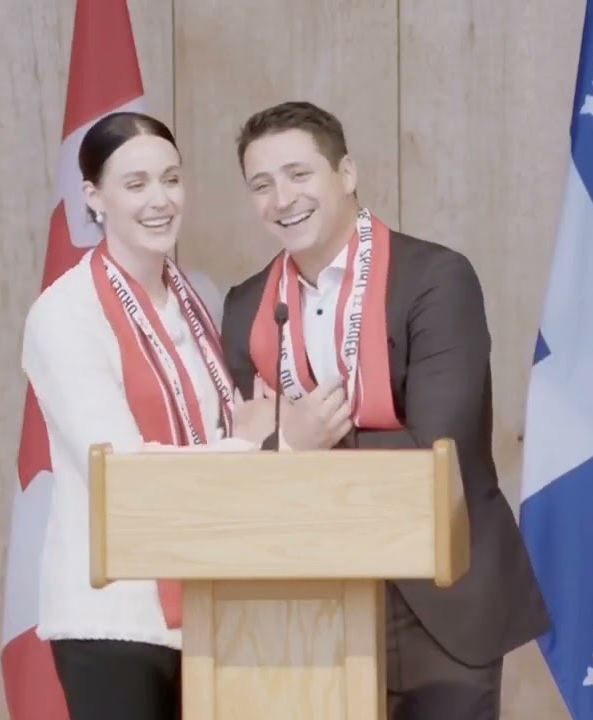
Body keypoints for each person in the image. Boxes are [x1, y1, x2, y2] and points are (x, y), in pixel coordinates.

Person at [219, 100, 551, 719]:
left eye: (299, 174)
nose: (282, 199)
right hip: (309, 601)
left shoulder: (436, 279)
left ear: (346, 173)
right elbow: (237, 463)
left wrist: (294, 442)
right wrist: (278, 445)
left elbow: (435, 454)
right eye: (261, 185)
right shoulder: (246, 306)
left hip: (439, 593)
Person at [20, 111, 276, 720]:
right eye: (135, 184)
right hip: (113, 616)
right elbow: (121, 471)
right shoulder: (65, 313)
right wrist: (250, 447)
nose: (160, 200)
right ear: (94, 197)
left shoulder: (199, 297)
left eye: (171, 179)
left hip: (211, 601)